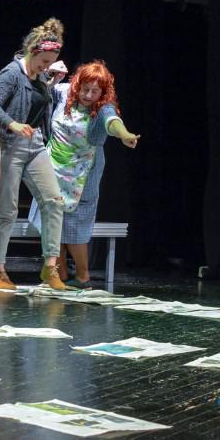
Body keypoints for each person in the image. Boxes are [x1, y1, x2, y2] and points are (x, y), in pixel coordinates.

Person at [0, 18, 67, 291]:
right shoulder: (11, 73)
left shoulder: (40, 76)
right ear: (32, 52)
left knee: (54, 201)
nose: (46, 66)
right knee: (7, 209)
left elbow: (37, 103)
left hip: (35, 142)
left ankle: (50, 268)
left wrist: (52, 82)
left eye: (50, 62)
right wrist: (12, 123)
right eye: (44, 61)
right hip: (10, 144)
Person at [47, 60, 139, 287]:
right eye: (85, 89)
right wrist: (50, 75)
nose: (88, 95)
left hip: (82, 174)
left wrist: (125, 134)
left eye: (94, 91)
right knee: (52, 223)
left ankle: (82, 275)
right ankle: (59, 274)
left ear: (103, 92)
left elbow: (112, 121)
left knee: (75, 225)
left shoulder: (103, 108)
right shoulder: (65, 93)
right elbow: (42, 90)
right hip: (54, 169)